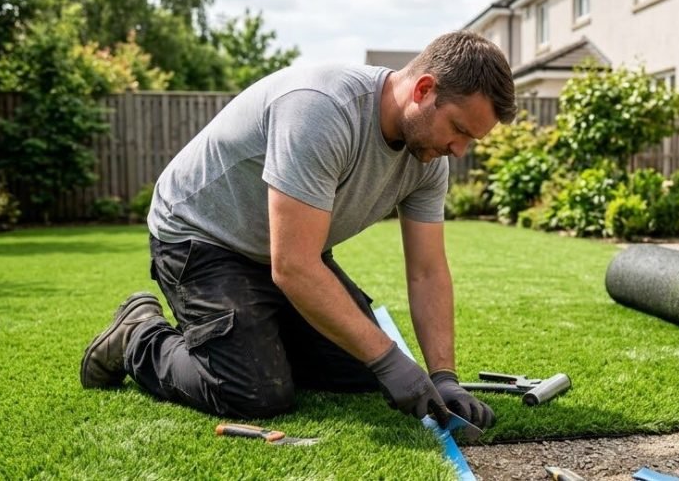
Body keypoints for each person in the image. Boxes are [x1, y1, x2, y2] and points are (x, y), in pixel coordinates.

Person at [79, 30, 515, 431]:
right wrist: (388, 359)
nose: (459, 151)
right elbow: (294, 267)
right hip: (202, 238)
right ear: (423, 90)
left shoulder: (429, 161)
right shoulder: (322, 109)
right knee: (255, 391)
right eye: (459, 129)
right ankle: (139, 334)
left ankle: (260, 335)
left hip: (284, 248)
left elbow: (427, 271)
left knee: (363, 372)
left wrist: (444, 376)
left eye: (470, 140)